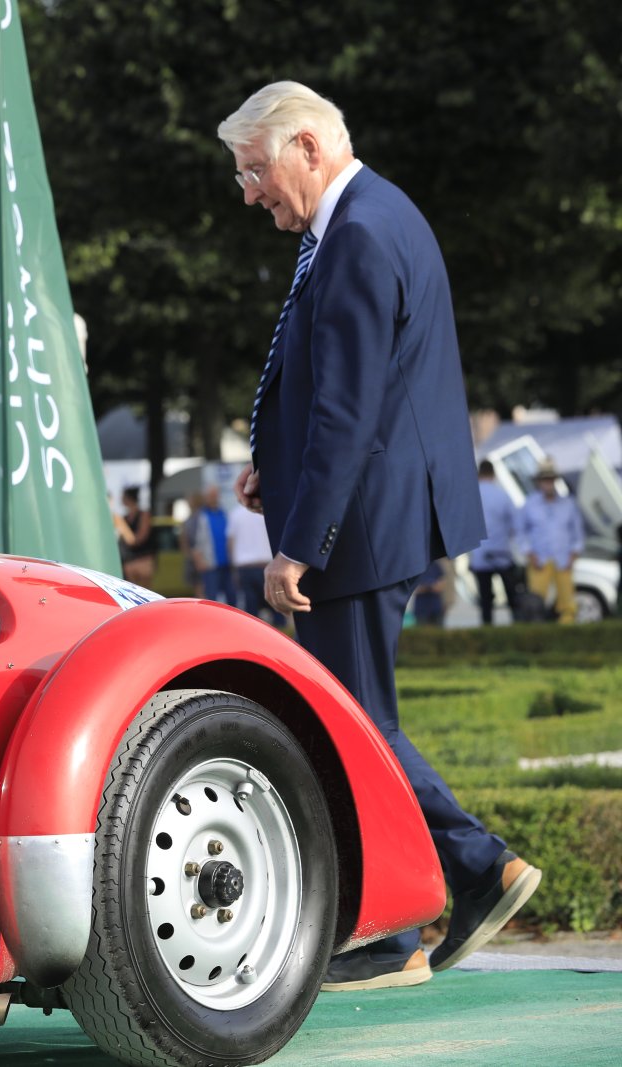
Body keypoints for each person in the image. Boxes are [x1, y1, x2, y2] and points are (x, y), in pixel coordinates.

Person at [218, 82, 539, 991]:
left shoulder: (356, 233)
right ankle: (441, 895)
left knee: (354, 725)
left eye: (255, 169)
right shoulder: (368, 216)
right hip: (374, 514)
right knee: (359, 721)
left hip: (359, 528)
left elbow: (348, 411)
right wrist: (276, 468)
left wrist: (299, 543)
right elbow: (355, 392)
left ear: (308, 147)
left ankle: (459, 883)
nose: (250, 192)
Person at [517, 458, 585, 624]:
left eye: (550, 479)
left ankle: (567, 631)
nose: (548, 483)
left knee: (568, 604)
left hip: (563, 559)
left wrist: (573, 555)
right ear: (539, 482)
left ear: (555, 480)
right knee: (535, 602)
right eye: (545, 480)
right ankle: (537, 632)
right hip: (539, 560)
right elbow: (520, 532)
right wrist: (529, 554)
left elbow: (578, 533)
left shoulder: (568, 504)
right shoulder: (530, 504)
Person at [469, 459, 519, 626]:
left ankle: (487, 629)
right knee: (512, 597)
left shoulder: (472, 495)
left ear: (478, 474)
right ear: (493, 474)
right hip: (502, 553)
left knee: (485, 600)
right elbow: (515, 525)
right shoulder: (502, 495)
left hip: (480, 555)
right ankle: (518, 627)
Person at [227, 500, 280, 625]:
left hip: (245, 566)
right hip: (267, 564)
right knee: (275, 604)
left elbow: (231, 542)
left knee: (251, 608)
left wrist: (233, 568)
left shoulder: (235, 514)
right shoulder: (268, 511)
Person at [195, 485, 233, 605]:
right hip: (210, 565)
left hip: (227, 564)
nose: (214, 498)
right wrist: (199, 560)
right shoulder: (200, 516)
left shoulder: (225, 514)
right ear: (206, 497)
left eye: (215, 495)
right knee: (212, 598)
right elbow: (195, 541)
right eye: (211, 495)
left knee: (232, 596)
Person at [118, 487, 157, 586]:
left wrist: (123, 528)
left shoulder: (143, 515)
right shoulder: (125, 518)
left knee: (144, 589)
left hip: (143, 559)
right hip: (130, 560)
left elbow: (139, 538)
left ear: (128, 498)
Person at [410, 559, 449, 626]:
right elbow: (413, 588)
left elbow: (442, 585)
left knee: (436, 630)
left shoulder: (436, 566)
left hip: (435, 607)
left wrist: (427, 587)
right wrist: (429, 587)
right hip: (421, 608)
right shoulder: (415, 567)